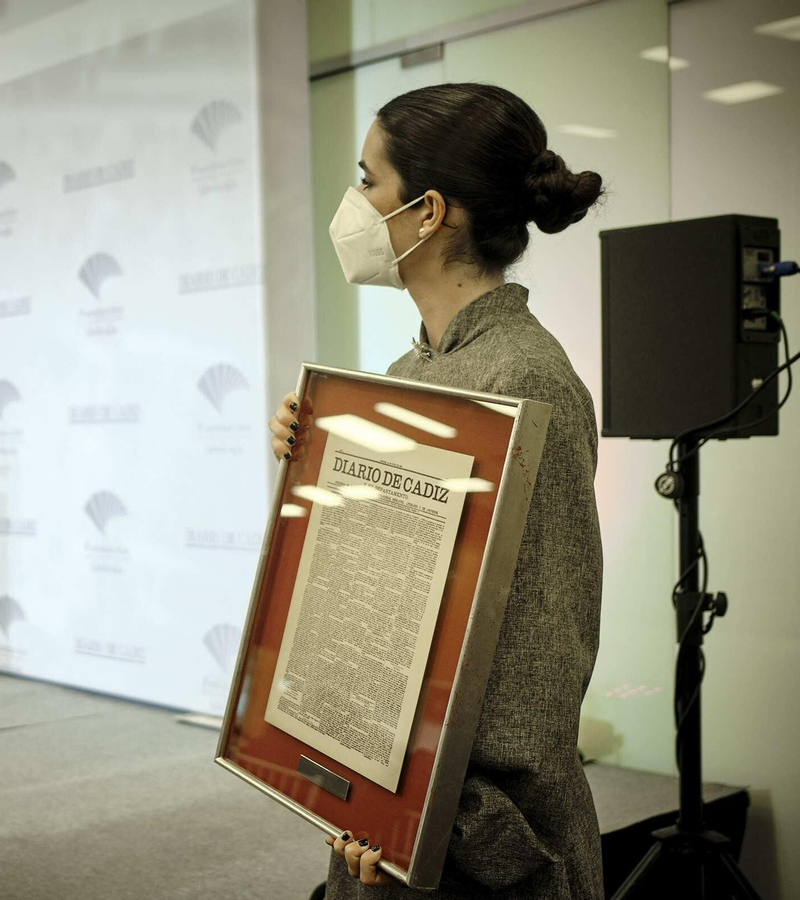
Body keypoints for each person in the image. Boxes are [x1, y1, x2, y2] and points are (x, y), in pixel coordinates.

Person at [269, 84, 605, 899]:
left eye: (368, 179)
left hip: (483, 852)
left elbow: (541, 659)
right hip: (391, 819)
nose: (353, 201)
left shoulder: (526, 380)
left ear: (428, 213)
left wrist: (440, 822)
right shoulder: (406, 372)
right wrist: (312, 465)